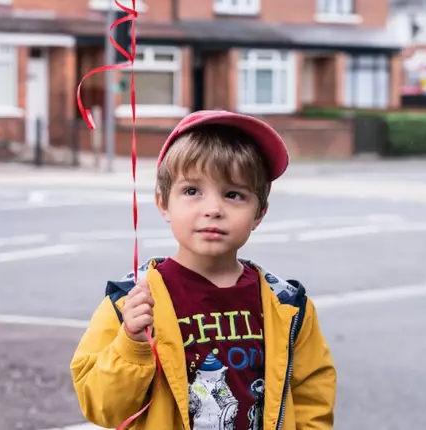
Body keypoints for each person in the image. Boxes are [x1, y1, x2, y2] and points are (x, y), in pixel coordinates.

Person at [70, 110, 336, 430]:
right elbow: (102, 408)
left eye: (233, 194)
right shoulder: (132, 299)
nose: (213, 210)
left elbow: (312, 398)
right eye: (192, 191)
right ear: (163, 202)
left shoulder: (288, 305)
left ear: (259, 212)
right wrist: (131, 343)